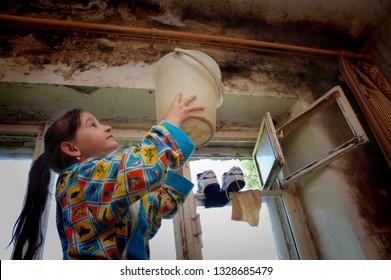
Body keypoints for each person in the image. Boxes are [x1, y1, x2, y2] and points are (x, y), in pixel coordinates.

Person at [10, 93, 204, 260]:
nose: (107, 127)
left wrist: (175, 151)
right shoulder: (78, 178)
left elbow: (161, 206)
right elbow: (141, 167)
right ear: (71, 148)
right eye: (93, 125)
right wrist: (169, 126)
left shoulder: (115, 188)